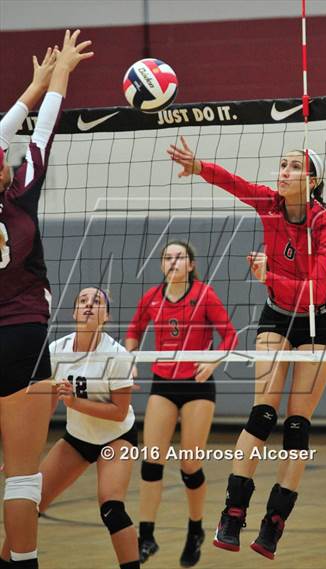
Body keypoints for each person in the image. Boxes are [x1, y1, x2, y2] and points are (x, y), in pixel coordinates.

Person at [167, 138, 326, 559]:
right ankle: (232, 513)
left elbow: (316, 290)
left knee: (297, 425)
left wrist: (269, 277)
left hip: (318, 320)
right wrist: (199, 166)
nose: (282, 172)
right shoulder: (269, 204)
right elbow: (235, 183)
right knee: (263, 413)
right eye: (281, 164)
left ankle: (274, 522)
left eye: (294, 167)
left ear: (312, 180)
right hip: (277, 315)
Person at [0, 30, 93, 569]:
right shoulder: (21, 196)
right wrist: (56, 81)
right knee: (22, 474)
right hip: (25, 339)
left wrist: (34, 87)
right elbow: (44, 136)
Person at [1, 287, 140, 569]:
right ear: (75, 312)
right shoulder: (56, 350)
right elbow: (47, 404)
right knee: (29, 503)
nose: (89, 305)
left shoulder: (117, 355)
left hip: (117, 437)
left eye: (97, 301)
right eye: (83, 301)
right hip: (77, 438)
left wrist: (75, 403)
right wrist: (23, 452)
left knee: (112, 508)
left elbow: (119, 412)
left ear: (106, 316)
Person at [125, 240, 238, 567]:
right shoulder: (152, 298)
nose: (173, 262)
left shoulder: (204, 294)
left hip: (197, 386)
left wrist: (214, 361)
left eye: (180, 257)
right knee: (151, 462)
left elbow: (230, 335)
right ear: (162, 265)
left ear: (190, 265)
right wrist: (130, 359)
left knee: (189, 464)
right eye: (167, 257)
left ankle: (195, 530)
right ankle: (146, 536)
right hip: (164, 383)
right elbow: (133, 330)